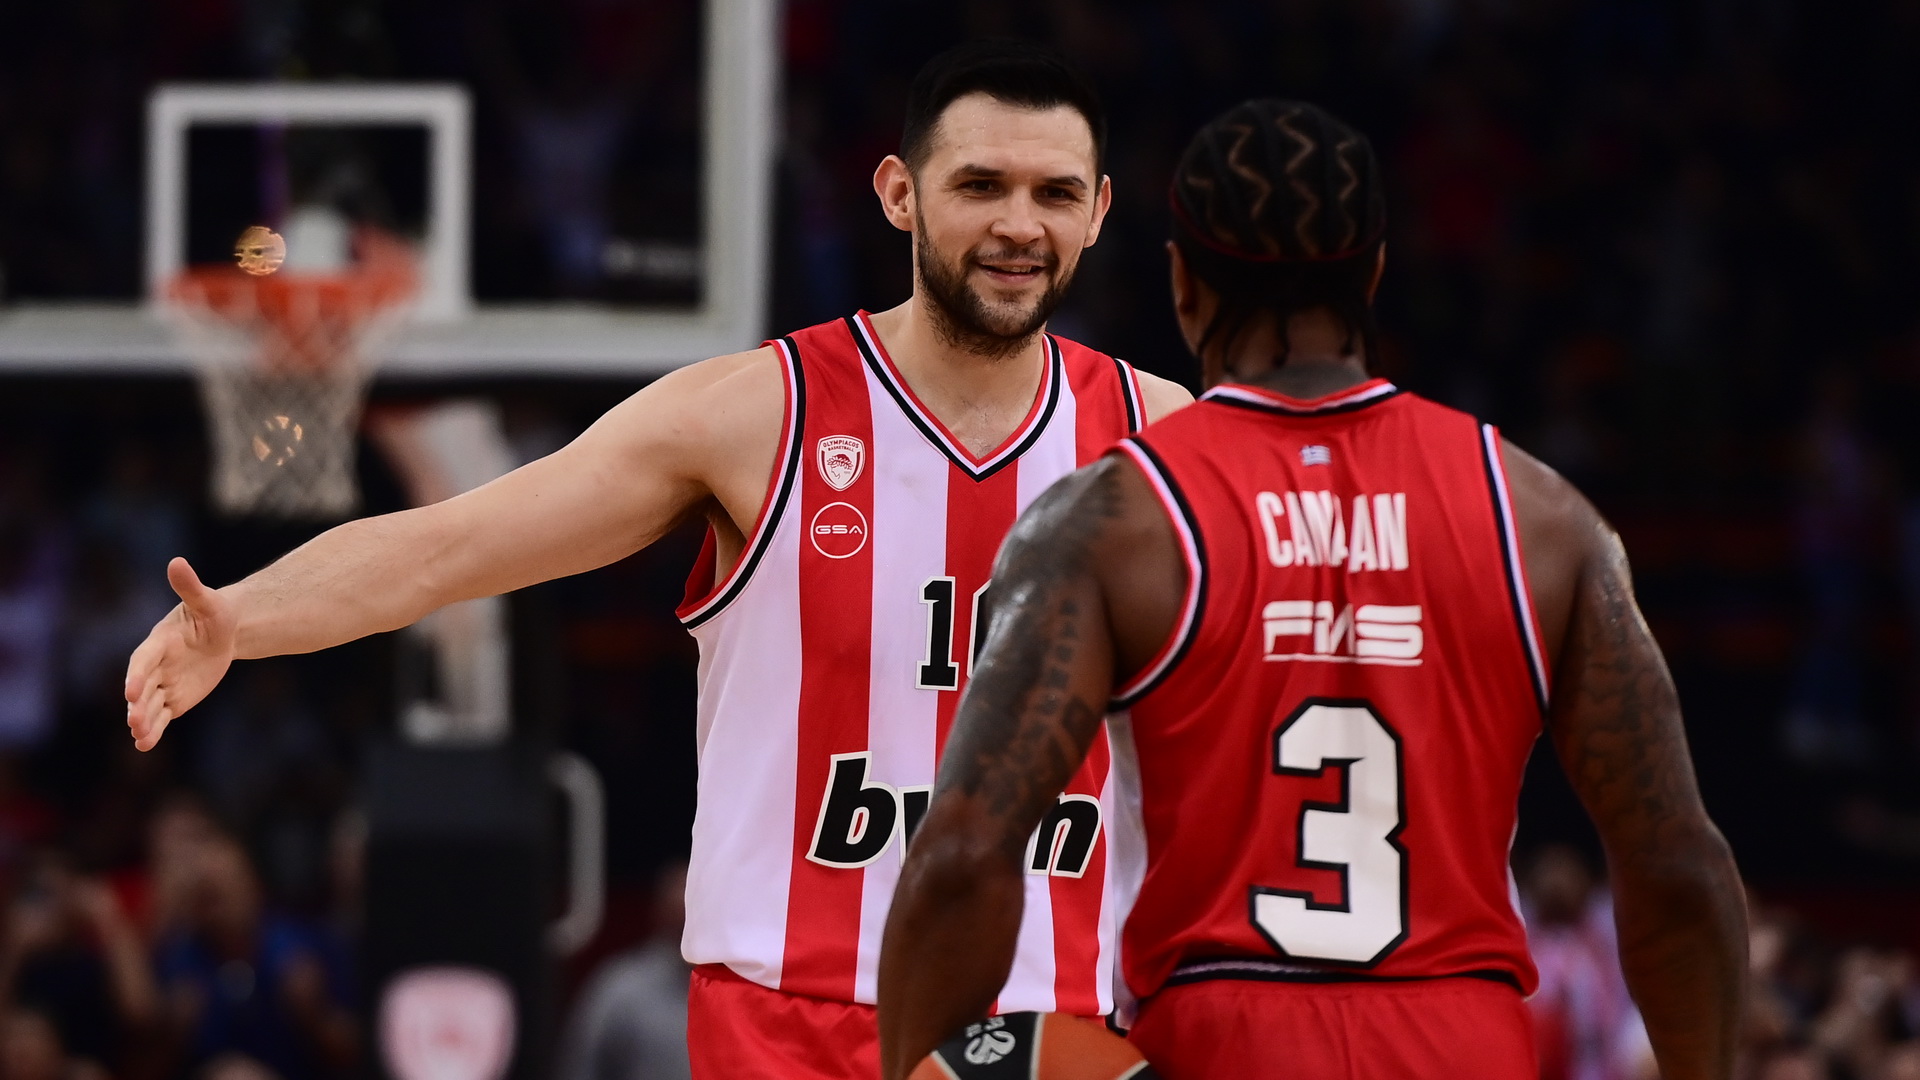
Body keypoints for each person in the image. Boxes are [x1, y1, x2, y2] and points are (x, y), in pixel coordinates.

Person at [123, 40, 1189, 1080]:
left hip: (1054, 1020)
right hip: (794, 1026)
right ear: (899, 193)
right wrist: (244, 619)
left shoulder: (1163, 440)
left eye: (1055, 193)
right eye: (980, 185)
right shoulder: (757, 415)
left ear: (1099, 210)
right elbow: (450, 547)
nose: (1018, 224)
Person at [876, 99, 1748, 1080]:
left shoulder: (1109, 522)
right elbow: (1679, 869)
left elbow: (964, 860)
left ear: (1182, 282)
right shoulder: (1540, 517)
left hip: (1222, 1038)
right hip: (1463, 1039)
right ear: (1375, 273)